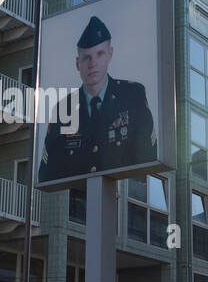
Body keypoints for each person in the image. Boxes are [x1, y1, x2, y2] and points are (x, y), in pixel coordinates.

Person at [38, 14, 156, 183]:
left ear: (110, 54)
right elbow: (48, 176)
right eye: (87, 57)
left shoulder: (133, 96)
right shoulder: (64, 109)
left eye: (99, 54)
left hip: (121, 204)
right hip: (79, 207)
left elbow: (148, 164)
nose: (93, 63)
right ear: (78, 64)